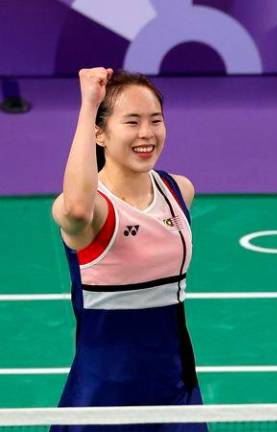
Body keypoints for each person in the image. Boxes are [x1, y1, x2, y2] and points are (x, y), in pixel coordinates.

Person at [51, 68, 205, 431]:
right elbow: (76, 207)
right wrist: (89, 104)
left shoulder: (178, 192)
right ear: (100, 133)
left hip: (175, 392)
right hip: (104, 400)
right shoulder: (91, 212)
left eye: (155, 120)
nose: (147, 134)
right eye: (132, 122)